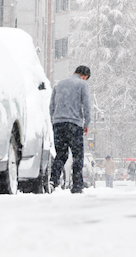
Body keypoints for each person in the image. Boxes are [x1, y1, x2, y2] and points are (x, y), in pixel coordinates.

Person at [49, 65, 92, 194]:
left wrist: (54, 121)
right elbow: (87, 105)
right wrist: (87, 123)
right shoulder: (82, 85)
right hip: (74, 125)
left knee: (60, 155)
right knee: (77, 156)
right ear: (85, 76)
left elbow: (51, 106)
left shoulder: (59, 84)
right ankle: (77, 185)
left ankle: (53, 180)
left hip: (59, 124)